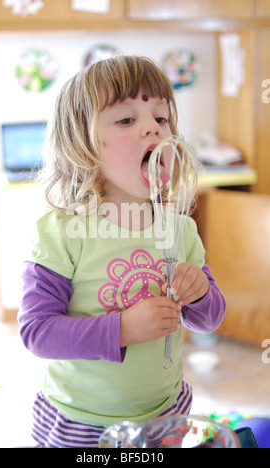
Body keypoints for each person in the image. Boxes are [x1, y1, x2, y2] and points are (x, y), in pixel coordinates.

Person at [18, 55, 225, 448]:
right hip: (83, 423)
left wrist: (200, 293)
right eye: (127, 120)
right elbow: (37, 331)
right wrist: (123, 329)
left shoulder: (180, 229)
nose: (153, 128)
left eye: (161, 119)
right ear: (83, 146)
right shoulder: (61, 232)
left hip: (166, 413)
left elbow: (209, 319)